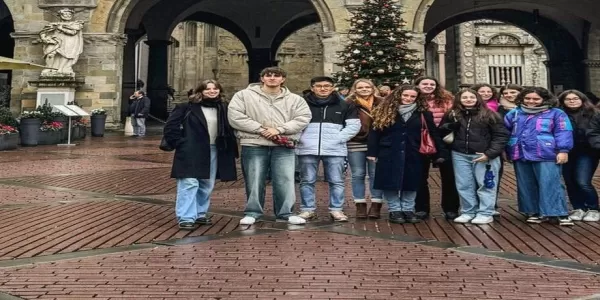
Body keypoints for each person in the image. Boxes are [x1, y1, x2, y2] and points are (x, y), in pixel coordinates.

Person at [228, 67, 311, 225]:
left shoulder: (295, 99)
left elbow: (303, 118)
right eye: (268, 75)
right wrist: (260, 130)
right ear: (262, 78)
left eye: (276, 76)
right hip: (254, 143)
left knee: (285, 179)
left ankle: (286, 213)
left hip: (283, 145)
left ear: (283, 79)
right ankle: (252, 212)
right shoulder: (243, 96)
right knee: (254, 179)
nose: (272, 78)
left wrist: (279, 130)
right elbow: (235, 116)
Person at [163, 80, 238, 230]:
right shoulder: (187, 107)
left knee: (206, 183)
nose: (212, 91)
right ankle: (186, 216)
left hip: (214, 149)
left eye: (215, 88)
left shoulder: (223, 107)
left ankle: (200, 213)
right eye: (208, 89)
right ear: (200, 91)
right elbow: (171, 126)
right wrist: (180, 143)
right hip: (191, 148)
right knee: (189, 182)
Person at [367, 86, 447, 223]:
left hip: (414, 151)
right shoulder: (385, 110)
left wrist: (441, 151)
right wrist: (372, 152)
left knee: (412, 181)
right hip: (389, 151)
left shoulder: (423, 113)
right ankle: (394, 210)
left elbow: (433, 132)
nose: (408, 99)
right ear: (398, 95)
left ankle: (408, 209)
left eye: (412, 97)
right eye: (405, 95)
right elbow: (375, 132)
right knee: (389, 181)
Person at [504, 87, 574, 225]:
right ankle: (533, 211)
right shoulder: (514, 113)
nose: (531, 101)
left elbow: (564, 131)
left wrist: (563, 150)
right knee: (526, 184)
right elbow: (505, 132)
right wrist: (505, 150)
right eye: (528, 98)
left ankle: (558, 212)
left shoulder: (556, 113)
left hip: (546, 153)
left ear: (544, 99)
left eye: (536, 99)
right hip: (520, 152)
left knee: (551, 183)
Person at [295, 76, 360, 222]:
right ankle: (307, 209)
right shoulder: (302, 104)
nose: (323, 88)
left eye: (327, 86)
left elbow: (354, 125)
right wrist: (300, 139)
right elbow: (295, 123)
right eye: (319, 86)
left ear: (332, 88)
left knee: (336, 181)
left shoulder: (345, 104)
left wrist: (337, 139)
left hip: (335, 149)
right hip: (307, 148)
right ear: (312, 88)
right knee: (307, 180)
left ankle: (336, 209)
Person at [440, 89, 509, 224]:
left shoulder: (490, 115)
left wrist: (490, 154)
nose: (468, 100)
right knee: (464, 185)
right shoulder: (452, 114)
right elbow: (441, 130)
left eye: (472, 97)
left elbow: (500, 136)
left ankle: (485, 212)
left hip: (483, 154)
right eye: (464, 97)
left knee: (486, 184)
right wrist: (448, 126)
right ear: (459, 99)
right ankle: (468, 211)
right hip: (460, 154)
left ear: (478, 99)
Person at [414, 76, 460, 220]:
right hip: (421, 140)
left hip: (444, 140)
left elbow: (454, 116)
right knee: (420, 177)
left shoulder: (446, 99)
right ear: (417, 85)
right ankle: (421, 208)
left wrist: (448, 126)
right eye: (425, 83)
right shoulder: (413, 98)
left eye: (432, 84)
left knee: (449, 176)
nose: (428, 86)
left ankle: (450, 208)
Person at [558, 90, 600, 222]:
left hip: (587, 151)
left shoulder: (594, 113)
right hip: (566, 151)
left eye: (575, 98)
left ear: (582, 99)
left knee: (582, 181)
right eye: (568, 99)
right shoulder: (558, 114)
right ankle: (578, 207)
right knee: (570, 181)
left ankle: (593, 208)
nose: (572, 101)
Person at [345, 79, 384, 218]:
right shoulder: (348, 103)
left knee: (376, 174)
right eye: (360, 87)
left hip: (377, 142)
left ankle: (376, 204)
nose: (364, 89)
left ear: (373, 88)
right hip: (355, 141)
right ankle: (360, 204)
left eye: (367, 87)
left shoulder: (381, 102)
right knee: (357, 174)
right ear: (355, 89)